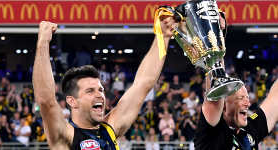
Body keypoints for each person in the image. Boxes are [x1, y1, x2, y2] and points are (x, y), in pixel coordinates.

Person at [32, 15, 175, 149]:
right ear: (72, 101)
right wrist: (43, 42)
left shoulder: (110, 128)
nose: (100, 95)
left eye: (100, 90)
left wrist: (163, 37)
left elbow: (143, 83)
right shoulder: (65, 134)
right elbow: (46, 100)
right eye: (90, 91)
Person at [194, 66, 278, 149]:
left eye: (247, 98)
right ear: (223, 105)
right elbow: (213, 99)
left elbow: (275, 99)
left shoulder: (249, 128)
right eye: (240, 98)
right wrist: (214, 62)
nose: (248, 104)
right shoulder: (212, 134)